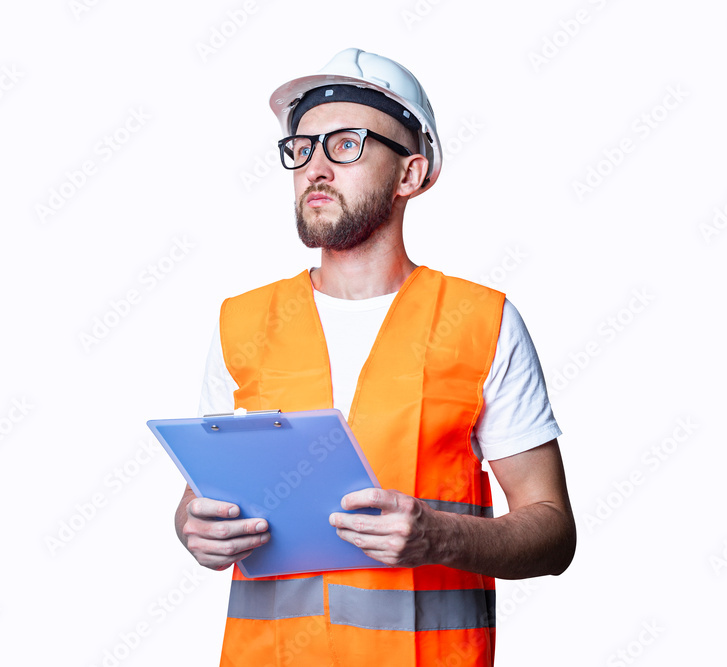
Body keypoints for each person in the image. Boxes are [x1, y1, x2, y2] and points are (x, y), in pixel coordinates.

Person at [174, 47, 576, 667]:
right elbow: (200, 499)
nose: (316, 167)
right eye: (303, 148)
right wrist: (194, 528)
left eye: (348, 144)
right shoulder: (243, 324)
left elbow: (553, 534)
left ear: (410, 175)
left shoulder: (483, 322)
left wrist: (441, 536)